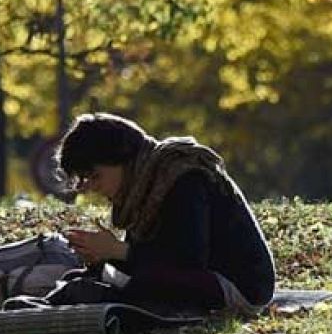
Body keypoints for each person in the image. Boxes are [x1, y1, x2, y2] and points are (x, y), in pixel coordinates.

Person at [48, 113, 276, 314]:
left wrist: (119, 251)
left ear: (123, 160)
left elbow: (187, 261)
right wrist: (105, 256)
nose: (93, 188)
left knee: (138, 283)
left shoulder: (182, 178)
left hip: (235, 285)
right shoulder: (141, 185)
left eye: (95, 176)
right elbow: (149, 257)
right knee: (85, 279)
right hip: (190, 277)